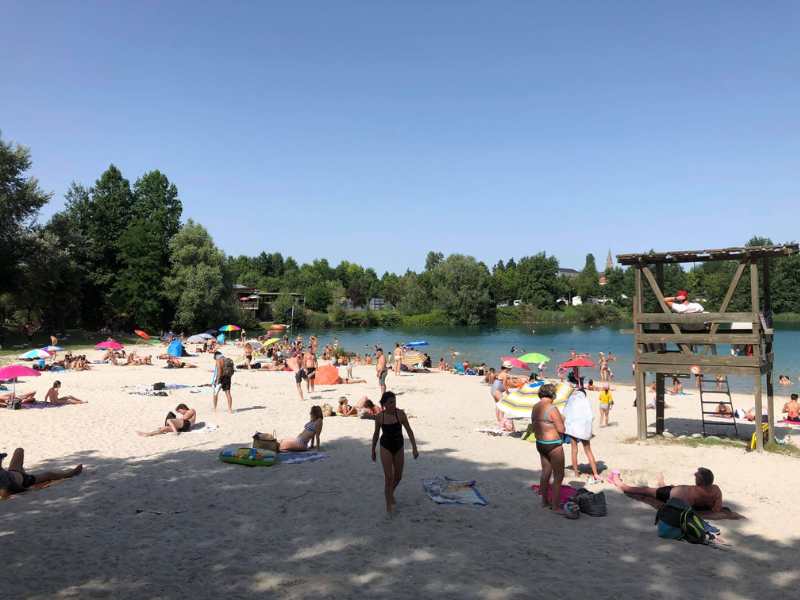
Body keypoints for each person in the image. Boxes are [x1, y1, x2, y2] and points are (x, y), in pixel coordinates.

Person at [371, 391, 418, 514]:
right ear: (384, 404)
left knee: (398, 477)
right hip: (385, 446)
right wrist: (373, 450)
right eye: (391, 402)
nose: (393, 404)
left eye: (395, 402)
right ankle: (388, 506)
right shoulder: (380, 417)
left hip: (399, 446)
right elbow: (376, 434)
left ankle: (390, 493)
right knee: (389, 477)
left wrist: (414, 448)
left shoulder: (401, 414)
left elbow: (409, 431)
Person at [609, 468, 722, 512]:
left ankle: (619, 483)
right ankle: (661, 482)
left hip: (668, 494)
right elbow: (717, 509)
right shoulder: (716, 490)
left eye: (696, 477)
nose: (695, 478)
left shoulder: (694, 493)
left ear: (700, 481)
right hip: (673, 491)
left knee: (645, 490)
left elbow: (685, 508)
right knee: (668, 487)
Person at [532, 384, 566, 514]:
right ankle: (555, 506)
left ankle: (544, 501)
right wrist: (563, 420)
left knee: (546, 471)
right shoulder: (552, 408)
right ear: (552, 395)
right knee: (559, 475)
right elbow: (561, 429)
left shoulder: (535, 407)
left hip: (540, 442)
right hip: (553, 443)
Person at [0, 448, 83, 499]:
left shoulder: (2, 472)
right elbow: (13, 488)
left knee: (19, 450)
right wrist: (28, 490)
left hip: (14, 471)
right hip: (26, 480)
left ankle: (22, 470)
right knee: (49, 475)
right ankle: (71, 474)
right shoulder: (2, 477)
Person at [563, 388, 602, 483]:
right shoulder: (585, 401)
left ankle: (576, 472)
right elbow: (590, 415)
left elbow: (565, 413)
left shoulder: (571, 400)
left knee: (574, 449)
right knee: (588, 450)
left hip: (572, 428)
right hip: (583, 428)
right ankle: (595, 473)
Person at [490, 362, 514, 432]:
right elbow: (504, 385)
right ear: (508, 368)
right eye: (510, 367)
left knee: (498, 405)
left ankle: (499, 421)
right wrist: (508, 392)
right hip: (497, 391)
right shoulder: (505, 374)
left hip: (493, 390)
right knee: (502, 406)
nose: (511, 368)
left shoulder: (501, 373)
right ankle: (502, 421)